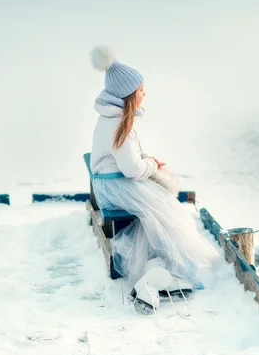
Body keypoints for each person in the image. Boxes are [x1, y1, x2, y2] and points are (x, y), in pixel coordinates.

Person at [88, 46, 220, 314]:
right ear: (129, 96)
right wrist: (150, 165)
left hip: (108, 182)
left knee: (158, 213)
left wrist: (147, 160)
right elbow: (132, 170)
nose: (144, 94)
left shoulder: (112, 119)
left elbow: (127, 159)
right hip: (117, 186)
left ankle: (155, 272)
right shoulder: (119, 126)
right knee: (167, 213)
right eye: (141, 90)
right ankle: (160, 275)